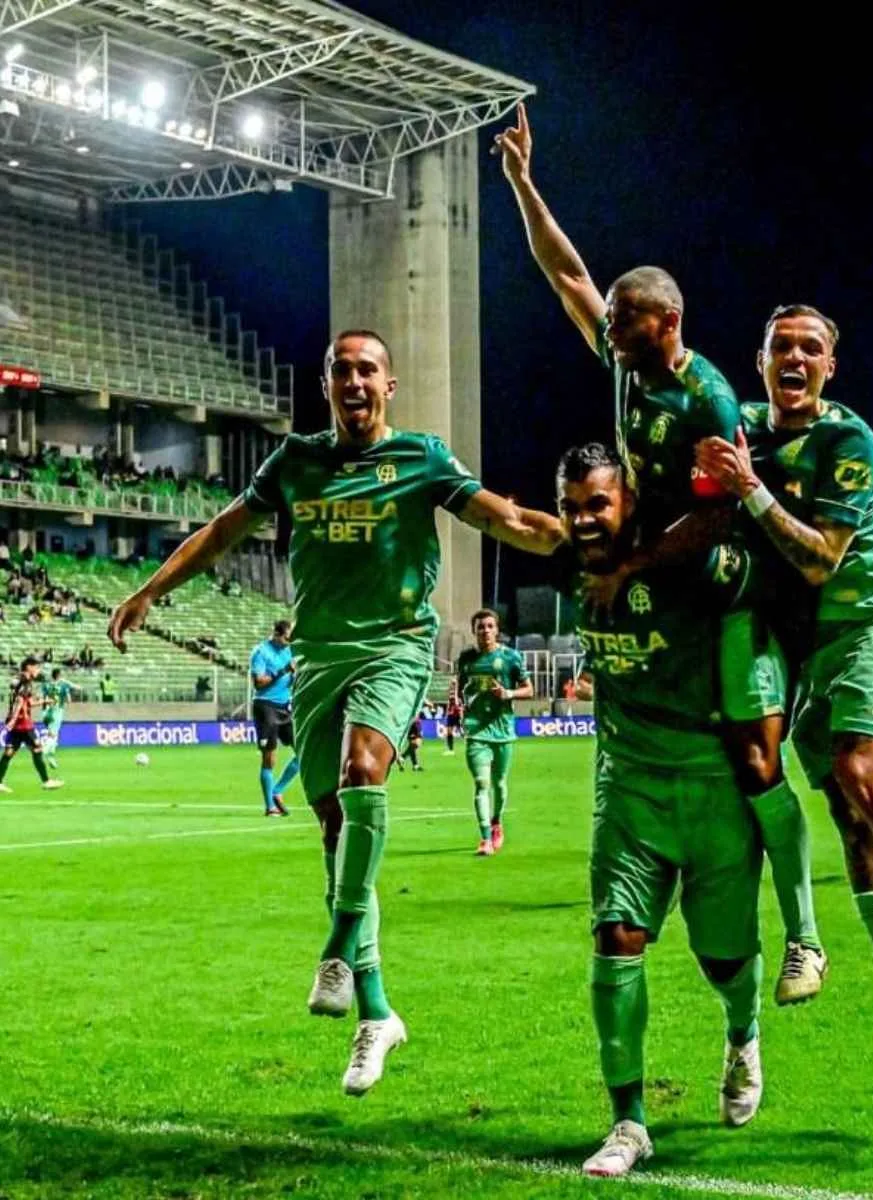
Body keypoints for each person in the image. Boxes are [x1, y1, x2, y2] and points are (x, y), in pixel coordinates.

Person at [106, 328, 563, 1098]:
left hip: (395, 648)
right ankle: (376, 1013)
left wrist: (566, 534)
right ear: (326, 385)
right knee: (333, 826)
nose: (354, 381)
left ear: (390, 385)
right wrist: (152, 588)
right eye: (340, 370)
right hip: (318, 659)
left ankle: (336, 944)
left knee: (363, 773)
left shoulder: (420, 457)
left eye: (368, 370)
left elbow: (499, 518)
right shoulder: (296, 462)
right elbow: (224, 531)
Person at [495, 102, 826, 1005]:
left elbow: (719, 523)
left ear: (666, 322)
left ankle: (803, 934)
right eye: (611, 324)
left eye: (625, 324)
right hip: (659, 572)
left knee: (755, 762)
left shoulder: (710, 402)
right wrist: (526, 184)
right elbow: (566, 273)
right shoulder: (623, 361)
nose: (608, 332)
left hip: (721, 579)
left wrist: (632, 565)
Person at [695, 303, 873, 1071]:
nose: (795, 359)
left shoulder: (847, 439)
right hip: (804, 650)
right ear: (761, 360)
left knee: (865, 775)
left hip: (866, 623)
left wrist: (753, 490)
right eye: (780, 347)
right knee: (850, 821)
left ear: (831, 366)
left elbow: (823, 559)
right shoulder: (745, 426)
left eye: (811, 349)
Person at [556, 444, 766, 1178]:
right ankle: (627, 1121)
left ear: (630, 504)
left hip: (711, 784)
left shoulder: (692, 565)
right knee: (616, 935)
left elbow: (758, 582)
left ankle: (743, 1030)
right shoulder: (567, 560)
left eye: (598, 504)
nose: (584, 520)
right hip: (630, 786)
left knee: (723, 957)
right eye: (573, 505)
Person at [455, 609, 533, 856]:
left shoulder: (510, 657)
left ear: (497, 630)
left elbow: (528, 689)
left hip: (503, 730)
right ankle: (485, 837)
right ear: (474, 630)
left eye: (490, 626)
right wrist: (459, 704)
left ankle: (497, 822)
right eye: (480, 627)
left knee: (499, 783)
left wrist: (508, 694)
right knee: (481, 784)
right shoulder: (466, 658)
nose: (485, 631)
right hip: (476, 730)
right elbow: (460, 686)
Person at [249, 619, 301, 816]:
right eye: (287, 638)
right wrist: (282, 671)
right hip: (266, 707)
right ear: (277, 635)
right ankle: (269, 806)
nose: (289, 642)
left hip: (285, 706)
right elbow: (259, 683)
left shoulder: (289, 651)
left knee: (302, 752)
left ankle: (277, 791)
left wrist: (295, 676)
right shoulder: (261, 652)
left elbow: (292, 678)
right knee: (269, 758)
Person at [0, 657, 63, 792]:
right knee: (37, 749)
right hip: (23, 723)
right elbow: (20, 700)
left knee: (8, 752)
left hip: (17, 722)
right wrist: (14, 718)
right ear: (29, 667)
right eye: (37, 667)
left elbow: (26, 702)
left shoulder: (18, 679)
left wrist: (44, 702)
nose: (38, 670)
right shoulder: (26, 681)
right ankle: (46, 781)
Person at [39, 667, 77, 770]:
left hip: (45, 712)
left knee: (53, 735)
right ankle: (44, 752)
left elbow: (40, 697)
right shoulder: (63, 685)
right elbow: (69, 700)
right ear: (59, 675)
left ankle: (51, 756)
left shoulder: (46, 685)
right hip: (56, 712)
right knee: (53, 735)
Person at [443, 690, 463, 754]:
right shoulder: (449, 701)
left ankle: (468, 743)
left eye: (453, 694)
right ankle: (450, 749)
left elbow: (460, 709)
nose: (451, 695)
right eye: (451, 694)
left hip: (457, 717)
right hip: (450, 717)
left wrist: (461, 716)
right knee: (449, 733)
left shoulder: (458, 700)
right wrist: (447, 714)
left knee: (462, 732)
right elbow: (448, 710)